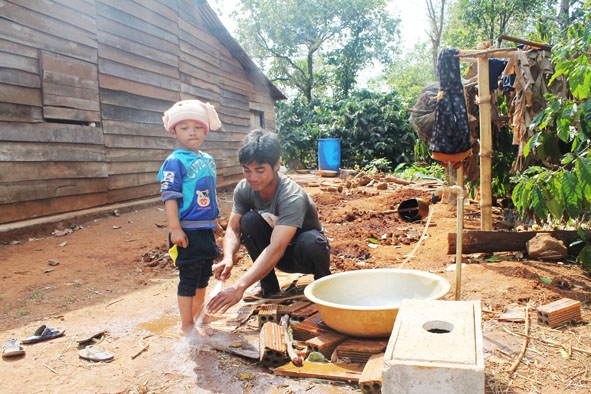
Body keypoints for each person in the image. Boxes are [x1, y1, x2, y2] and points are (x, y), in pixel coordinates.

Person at [207, 129, 331, 314]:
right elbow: (233, 227)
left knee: (313, 241)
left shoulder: (291, 196)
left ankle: (324, 286)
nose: (253, 178)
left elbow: (277, 248)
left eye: (260, 170)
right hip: (274, 256)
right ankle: (269, 288)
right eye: (247, 170)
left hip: (302, 255)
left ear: (276, 165)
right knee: (248, 221)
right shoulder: (244, 189)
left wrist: (239, 287)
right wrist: (228, 257)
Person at [157, 99, 222, 336]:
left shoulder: (207, 159)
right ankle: (186, 325)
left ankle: (199, 315)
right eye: (184, 128)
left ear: (205, 129)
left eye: (196, 127)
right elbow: (170, 196)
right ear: (173, 131)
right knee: (189, 277)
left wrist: (214, 223)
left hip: (205, 229)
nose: (191, 132)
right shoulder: (175, 161)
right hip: (187, 230)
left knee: (204, 275)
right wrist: (175, 228)